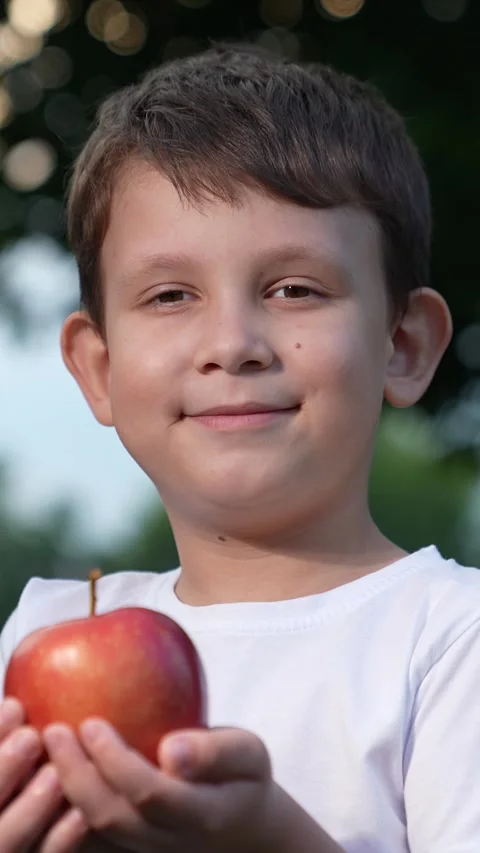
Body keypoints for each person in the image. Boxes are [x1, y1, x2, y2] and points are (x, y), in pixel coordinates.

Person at [0, 41, 477, 853]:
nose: (233, 342)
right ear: (100, 368)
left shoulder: (450, 639)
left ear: (402, 343)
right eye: (171, 294)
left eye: (295, 288)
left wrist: (271, 840)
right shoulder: (38, 637)